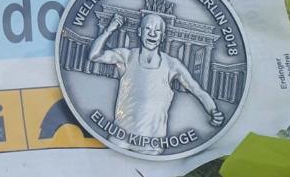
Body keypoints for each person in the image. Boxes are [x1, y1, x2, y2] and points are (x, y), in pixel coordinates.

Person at [89, 12, 224, 153]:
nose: (152, 34)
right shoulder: (126, 56)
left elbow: (197, 90)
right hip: (120, 138)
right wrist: (109, 29)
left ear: (162, 37)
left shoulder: (172, 65)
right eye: (148, 29)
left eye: (157, 30)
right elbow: (94, 55)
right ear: (140, 32)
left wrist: (213, 111)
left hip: (151, 144)